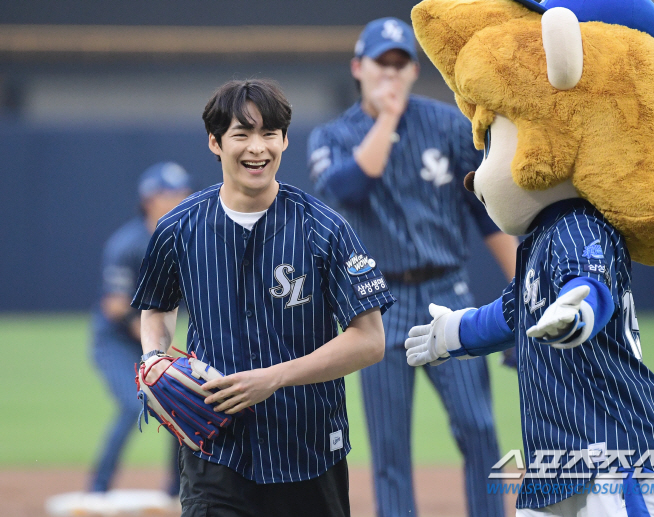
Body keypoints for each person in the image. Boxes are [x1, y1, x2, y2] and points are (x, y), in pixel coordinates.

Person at [131, 79, 395, 517]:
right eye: (242, 134)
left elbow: (370, 341)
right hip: (215, 452)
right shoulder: (178, 227)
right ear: (215, 142)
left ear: (285, 140)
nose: (258, 148)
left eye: (269, 133)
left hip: (308, 453)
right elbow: (156, 305)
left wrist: (272, 377)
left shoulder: (325, 229)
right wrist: (153, 355)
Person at [307, 17, 519, 517]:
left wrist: (523, 287)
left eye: (401, 63)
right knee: (389, 446)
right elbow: (349, 187)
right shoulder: (333, 136)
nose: (391, 72)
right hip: (376, 305)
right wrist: (386, 118)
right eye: (382, 62)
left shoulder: (447, 125)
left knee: (478, 426)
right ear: (359, 67)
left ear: (413, 69)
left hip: (449, 291)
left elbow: (485, 213)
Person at [89, 162, 193, 497]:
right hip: (118, 343)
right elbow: (115, 306)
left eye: (183, 192)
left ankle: (176, 492)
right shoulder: (128, 243)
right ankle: (97, 490)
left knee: (179, 405)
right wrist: (153, 341)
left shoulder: (187, 239)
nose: (180, 198)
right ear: (149, 199)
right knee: (135, 406)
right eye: (171, 193)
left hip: (155, 341)